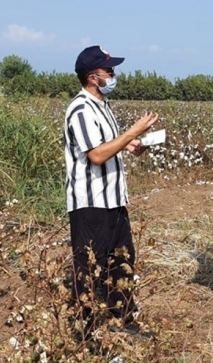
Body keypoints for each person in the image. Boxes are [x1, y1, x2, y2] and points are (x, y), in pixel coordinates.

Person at [64, 45, 158, 337]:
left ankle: (125, 319)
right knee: (90, 267)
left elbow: (110, 143)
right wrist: (133, 131)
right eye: (109, 71)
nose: (113, 75)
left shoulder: (102, 106)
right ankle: (85, 333)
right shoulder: (80, 109)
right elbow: (96, 155)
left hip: (114, 200)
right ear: (93, 77)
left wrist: (132, 145)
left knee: (122, 260)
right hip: (90, 204)